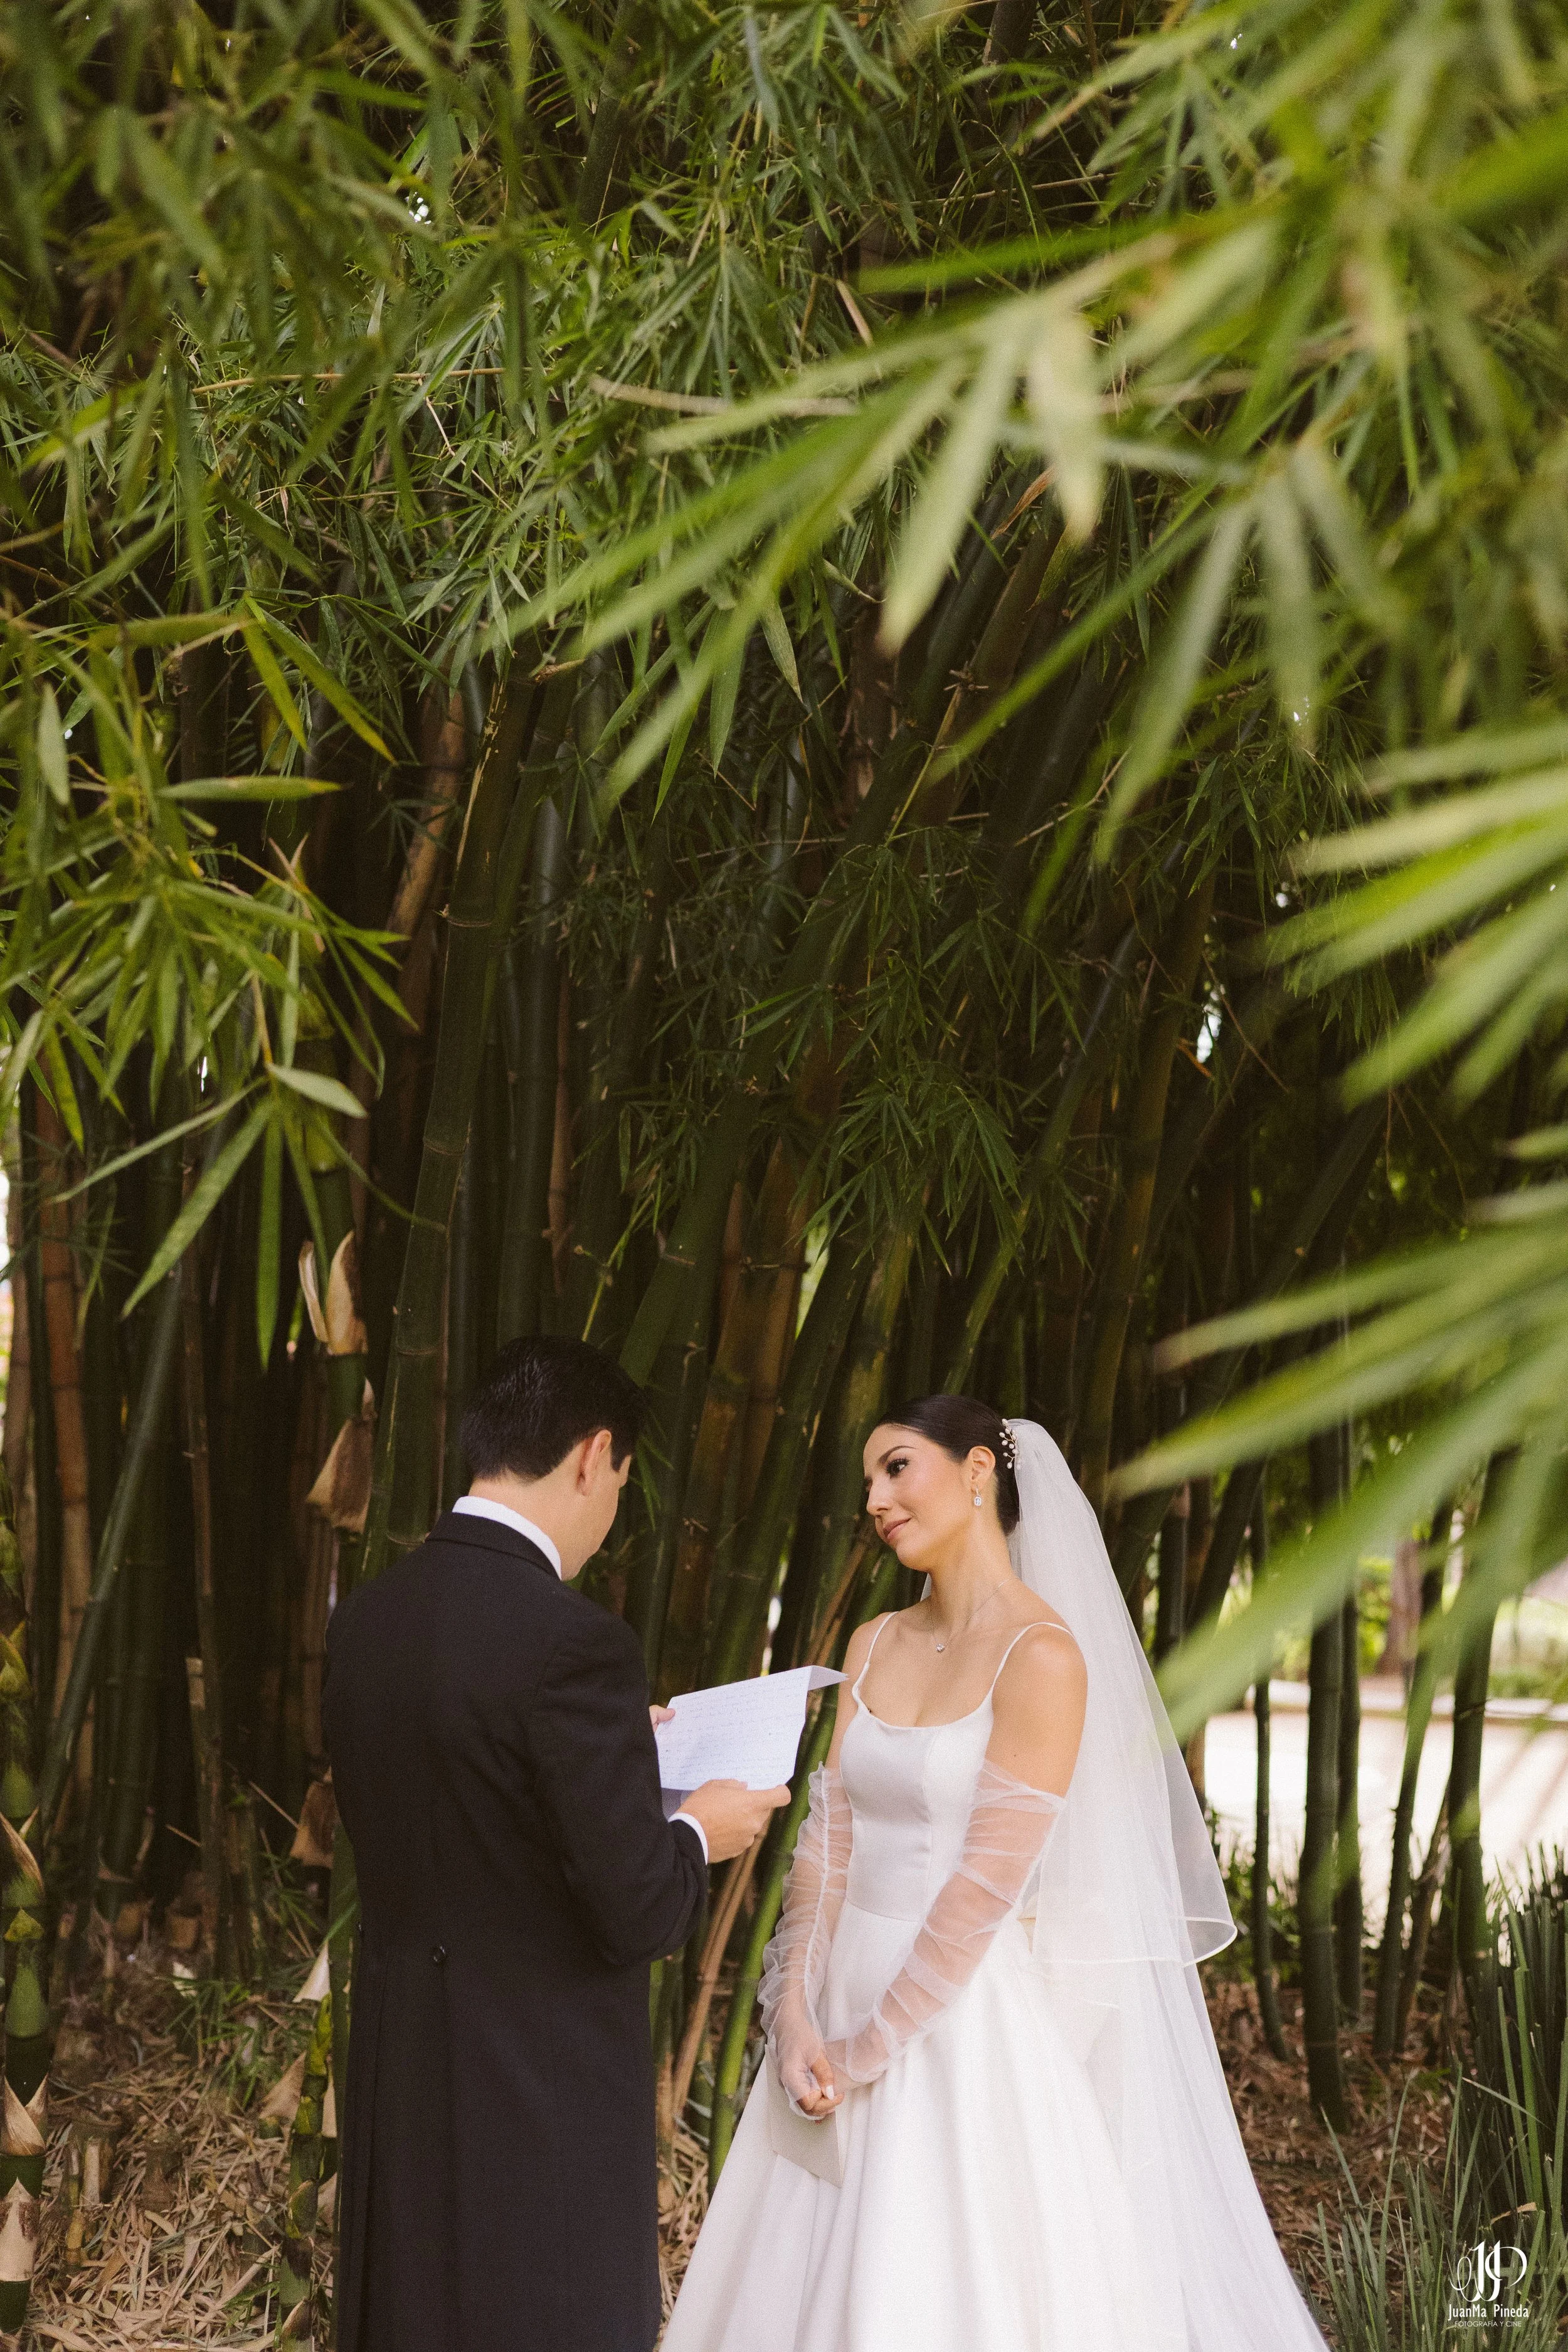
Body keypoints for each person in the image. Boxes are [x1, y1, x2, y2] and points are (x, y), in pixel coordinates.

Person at [664, 1397, 1331, 2352]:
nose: (877, 1500)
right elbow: (827, 1842)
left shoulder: (1044, 1654)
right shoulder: (873, 1643)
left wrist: (863, 2051)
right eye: (866, 1482)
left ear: (978, 1468)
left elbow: (983, 1890)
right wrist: (797, 2007)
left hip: (956, 2024)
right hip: (832, 1997)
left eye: (896, 1467)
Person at [324, 1335, 789, 2352]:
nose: (616, 1509)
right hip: (533, 2087)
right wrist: (698, 1829)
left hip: (402, 2061)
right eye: (623, 1479)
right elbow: (638, 1909)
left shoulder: (367, 1617)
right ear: (593, 1455)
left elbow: (463, 1803)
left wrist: (622, 1753)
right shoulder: (573, 1641)